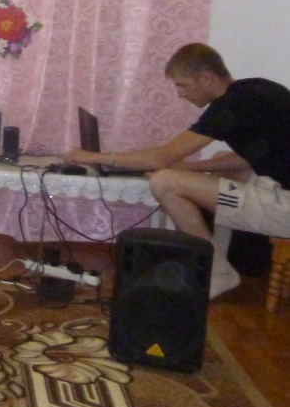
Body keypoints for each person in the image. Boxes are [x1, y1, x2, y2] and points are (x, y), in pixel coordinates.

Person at [68, 43, 290, 298]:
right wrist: (192, 167)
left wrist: (92, 157)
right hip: (280, 190)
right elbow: (247, 159)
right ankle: (219, 262)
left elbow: (162, 157)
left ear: (206, 78)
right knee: (219, 161)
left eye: (182, 85)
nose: (181, 94)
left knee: (165, 182)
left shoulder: (229, 107)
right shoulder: (254, 90)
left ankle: (218, 271)